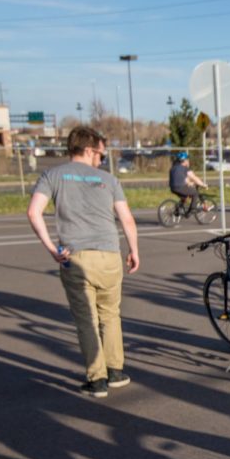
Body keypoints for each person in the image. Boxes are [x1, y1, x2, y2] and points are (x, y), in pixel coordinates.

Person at [26, 126, 140, 398]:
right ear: (88, 150)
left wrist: (52, 248)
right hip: (109, 255)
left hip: (76, 258)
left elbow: (34, 213)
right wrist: (134, 250)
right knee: (110, 315)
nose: (101, 160)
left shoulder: (52, 175)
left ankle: (97, 379)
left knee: (86, 320)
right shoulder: (109, 180)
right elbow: (127, 219)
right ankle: (115, 371)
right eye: (100, 154)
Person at [168, 151, 206, 216]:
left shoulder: (173, 168)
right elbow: (194, 177)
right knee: (195, 193)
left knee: (184, 196)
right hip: (180, 187)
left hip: (173, 188)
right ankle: (192, 209)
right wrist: (203, 184)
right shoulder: (184, 168)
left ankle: (178, 210)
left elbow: (181, 178)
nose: (188, 161)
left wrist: (189, 183)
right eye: (187, 160)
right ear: (184, 161)